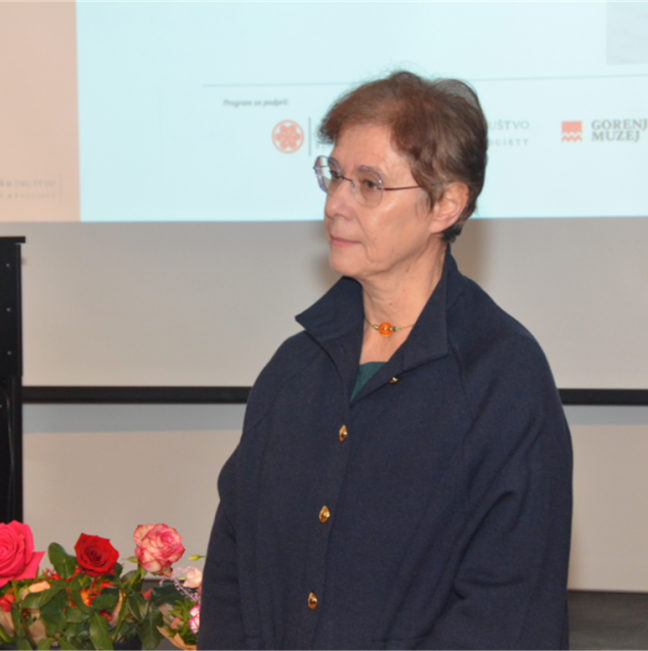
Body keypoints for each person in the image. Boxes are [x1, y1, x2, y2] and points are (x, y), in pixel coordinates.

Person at [198, 71, 573, 651]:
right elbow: (232, 568)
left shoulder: (503, 380)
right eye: (334, 175)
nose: (335, 205)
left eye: (369, 184)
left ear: (445, 205)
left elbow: (507, 612)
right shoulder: (295, 368)